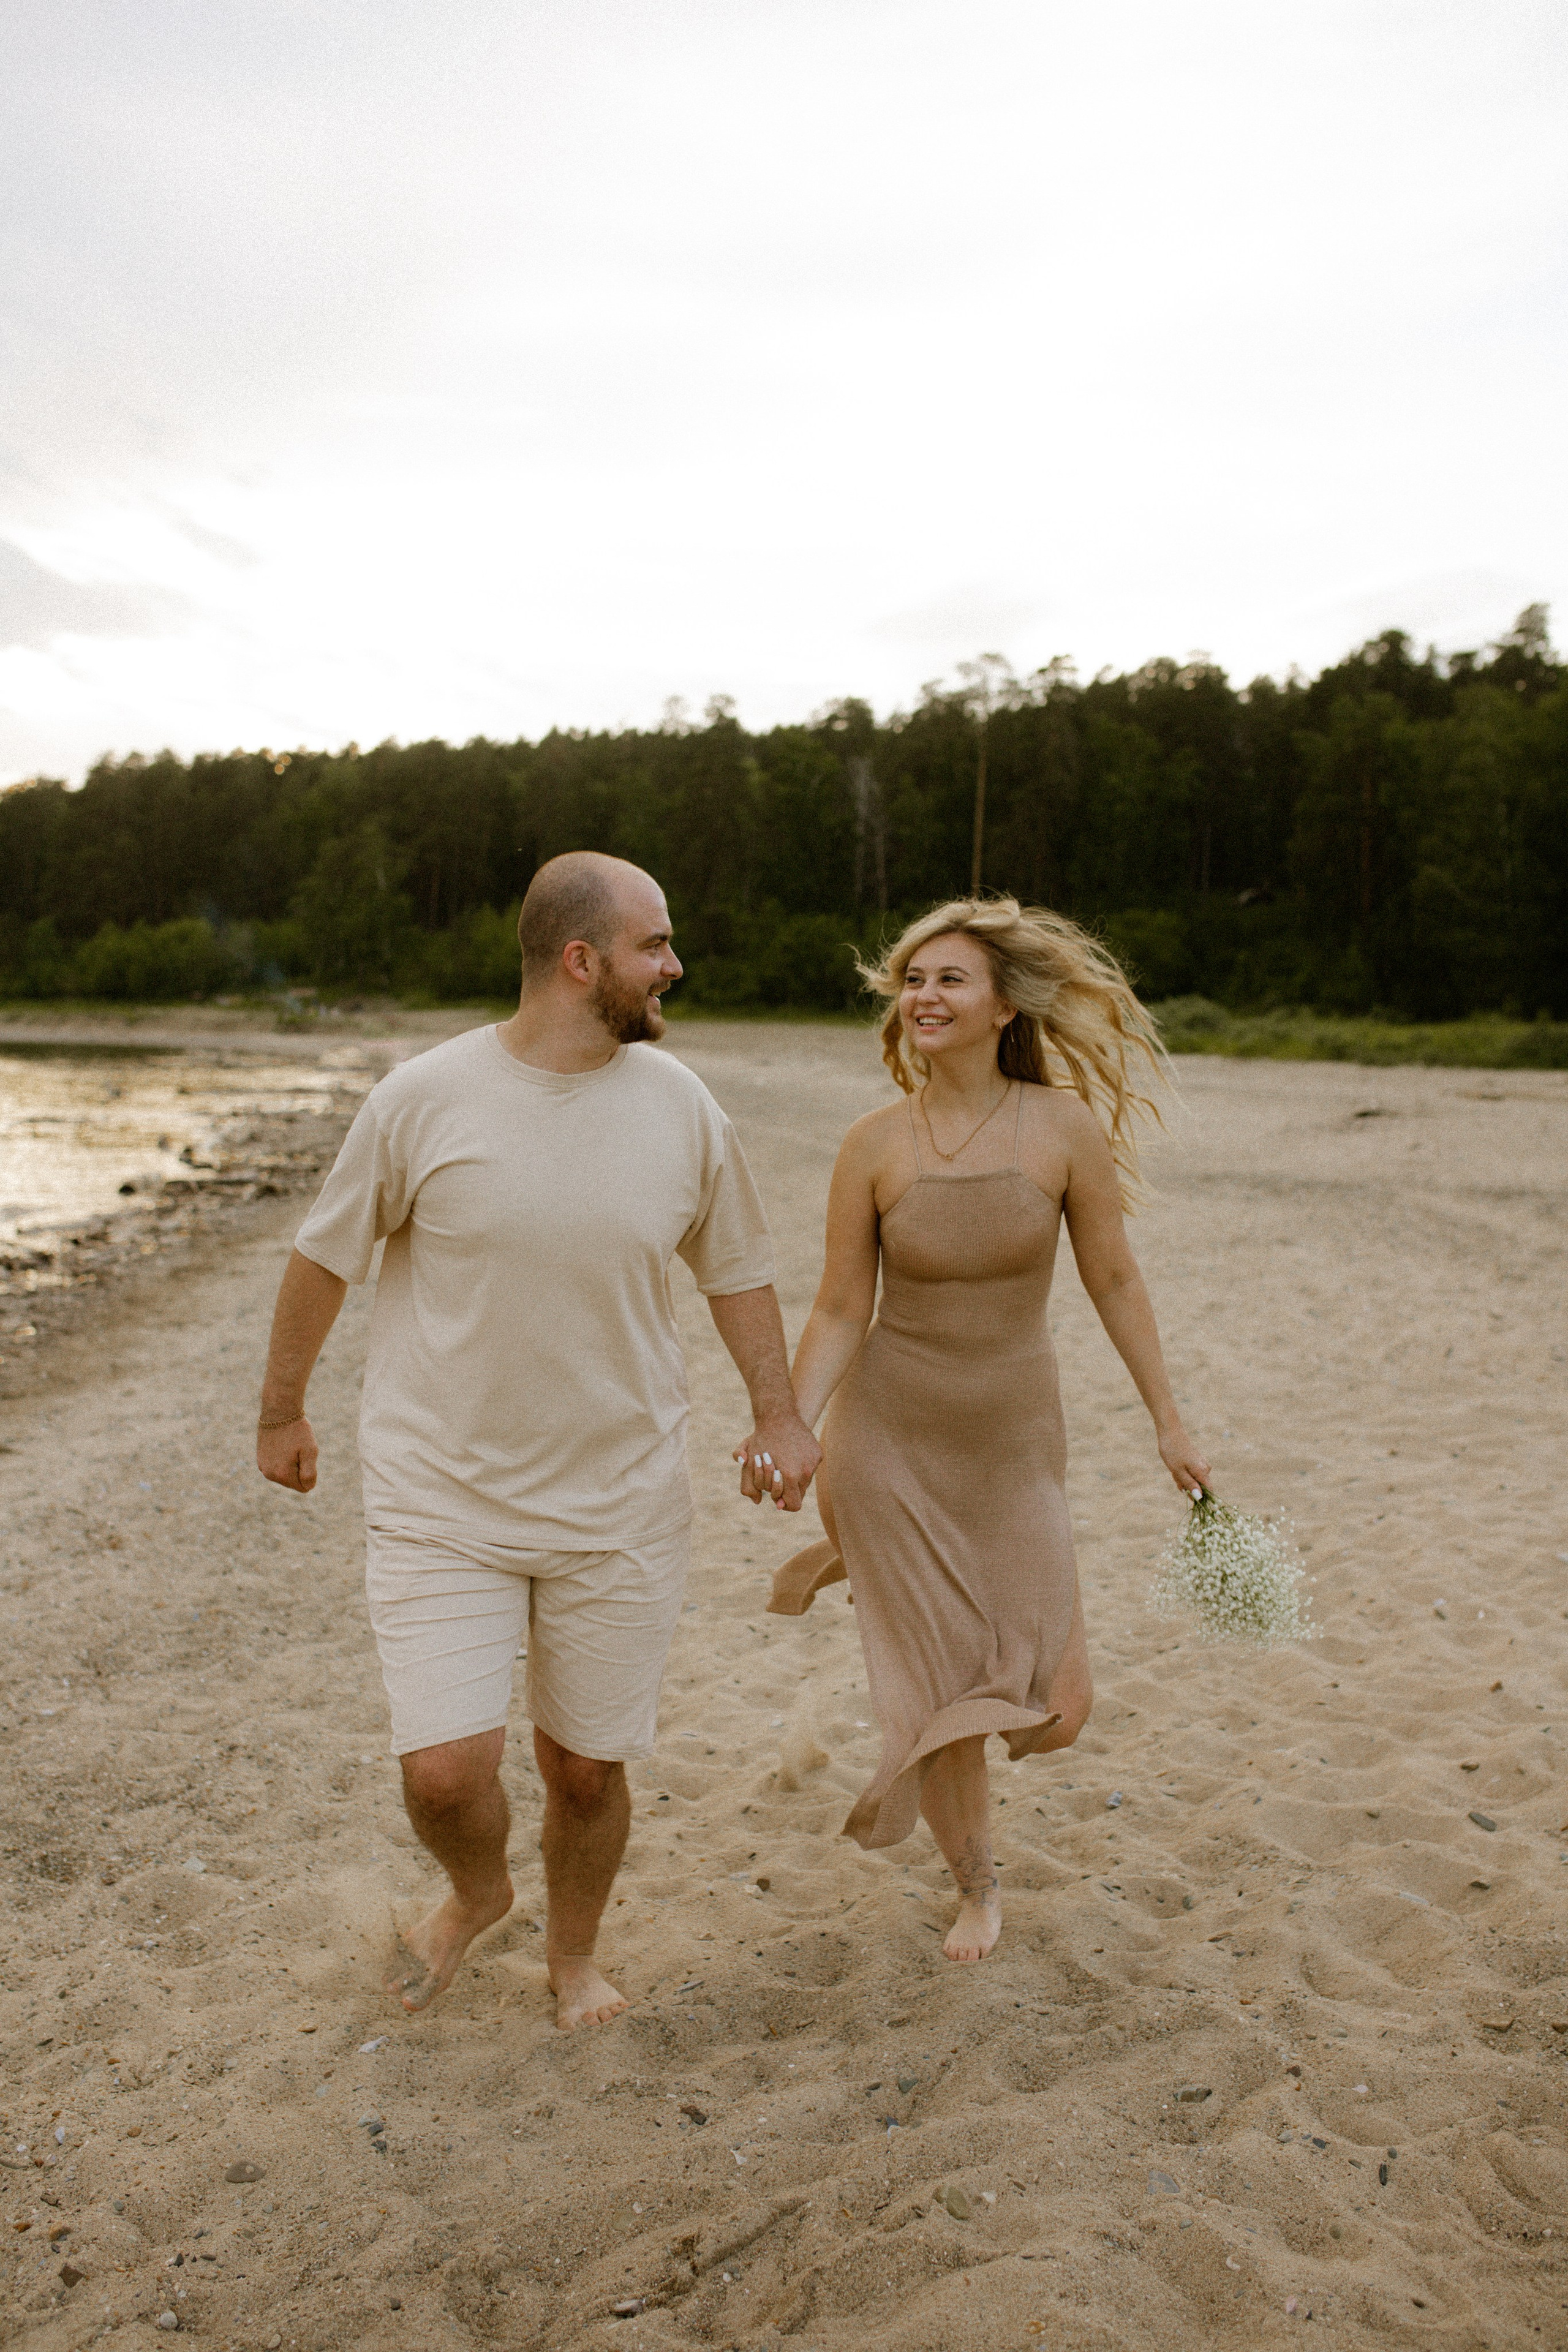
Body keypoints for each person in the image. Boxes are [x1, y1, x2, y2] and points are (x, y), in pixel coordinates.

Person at [255, 851, 821, 2030]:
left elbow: (740, 1272)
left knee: (585, 1769)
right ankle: (478, 1888)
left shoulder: (684, 1110)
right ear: (582, 961)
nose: (675, 965)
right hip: (441, 1496)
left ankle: (573, 1956)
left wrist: (777, 1412)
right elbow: (325, 1255)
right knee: (445, 1773)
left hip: (620, 1499)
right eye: (654, 945)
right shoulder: (423, 1098)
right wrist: (282, 1407)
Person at [771, 895, 1209, 1962]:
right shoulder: (873, 1144)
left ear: (1003, 1001)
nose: (924, 996)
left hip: (1014, 1447)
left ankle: (866, 1572)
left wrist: (1170, 1419)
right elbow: (838, 1307)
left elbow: (1111, 1274)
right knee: (947, 1688)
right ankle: (977, 1887)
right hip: (892, 1442)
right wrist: (790, 1423)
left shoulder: (1059, 1129)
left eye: (949, 979)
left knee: (1061, 1707)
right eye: (914, 981)